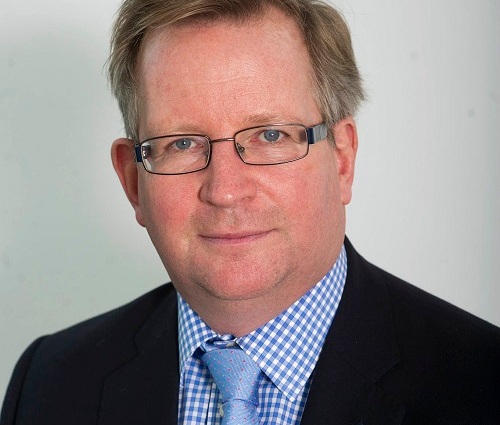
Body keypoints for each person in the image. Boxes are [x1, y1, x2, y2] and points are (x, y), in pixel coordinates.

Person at [1, 0, 499, 424]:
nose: (225, 190)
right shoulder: (49, 384)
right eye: (182, 143)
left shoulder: (482, 382)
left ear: (342, 159)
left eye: (270, 135)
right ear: (134, 182)